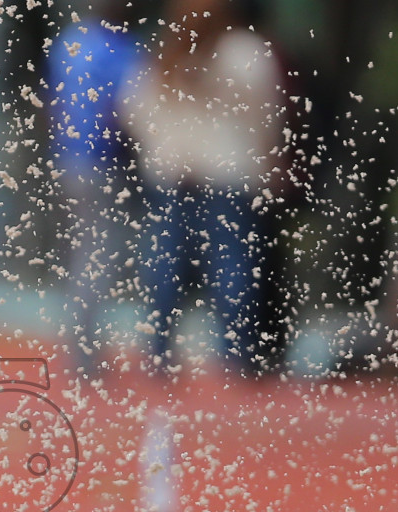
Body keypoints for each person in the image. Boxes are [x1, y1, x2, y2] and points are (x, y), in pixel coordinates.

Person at [119, 0, 285, 376]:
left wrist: (165, 150)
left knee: (167, 270)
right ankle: (234, 359)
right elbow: (267, 114)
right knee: (231, 274)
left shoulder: (167, 52)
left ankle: (161, 354)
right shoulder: (244, 52)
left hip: (180, 177)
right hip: (223, 177)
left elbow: (133, 111)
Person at [46, 2, 139, 373]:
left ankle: (79, 345)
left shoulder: (69, 39)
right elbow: (126, 108)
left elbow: (52, 102)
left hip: (69, 158)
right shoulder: (123, 47)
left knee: (80, 257)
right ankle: (84, 352)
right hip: (103, 162)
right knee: (98, 260)